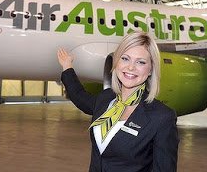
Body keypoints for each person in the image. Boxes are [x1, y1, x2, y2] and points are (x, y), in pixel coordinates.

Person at [57, 31, 179, 172]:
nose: (131, 67)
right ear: (116, 62)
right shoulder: (106, 99)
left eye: (140, 62)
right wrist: (67, 67)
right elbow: (79, 96)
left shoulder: (162, 117)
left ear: (151, 69)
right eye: (125, 59)